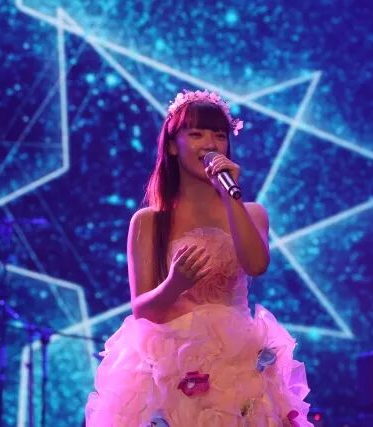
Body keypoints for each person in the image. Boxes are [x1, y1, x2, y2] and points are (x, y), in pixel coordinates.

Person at [85, 90, 313, 426]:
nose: (210, 144)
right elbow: (142, 309)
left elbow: (256, 265)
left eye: (219, 135)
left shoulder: (252, 213)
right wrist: (174, 284)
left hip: (237, 362)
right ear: (172, 146)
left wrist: (230, 196)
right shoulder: (149, 221)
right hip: (171, 364)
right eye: (196, 134)